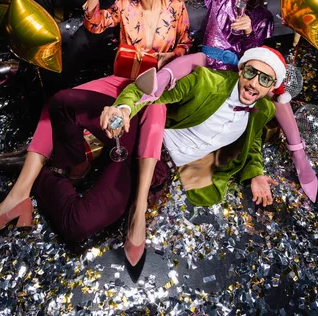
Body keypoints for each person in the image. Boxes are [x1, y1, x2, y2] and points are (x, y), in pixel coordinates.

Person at [134, 0, 317, 205]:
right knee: (187, 63)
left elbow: (254, 60)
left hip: (233, 74)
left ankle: (299, 155)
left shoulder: (261, 17)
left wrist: (249, 35)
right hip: (208, 58)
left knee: (274, 98)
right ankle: (148, 95)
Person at [0, 0, 192, 235]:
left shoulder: (176, 7)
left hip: (154, 85)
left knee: (154, 124)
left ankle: (139, 209)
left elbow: (185, 42)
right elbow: (94, 24)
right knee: (56, 104)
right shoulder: (124, 4)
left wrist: (172, 56)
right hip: (122, 78)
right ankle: (19, 194)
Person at [99, 45, 288, 266]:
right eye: (250, 73)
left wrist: (256, 173)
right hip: (153, 144)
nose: (254, 83)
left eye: (265, 79)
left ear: (272, 87)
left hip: (182, 169)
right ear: (240, 70)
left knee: (119, 205)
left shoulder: (265, 109)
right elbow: (152, 91)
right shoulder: (206, 82)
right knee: (102, 212)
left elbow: (253, 139)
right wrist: (124, 107)